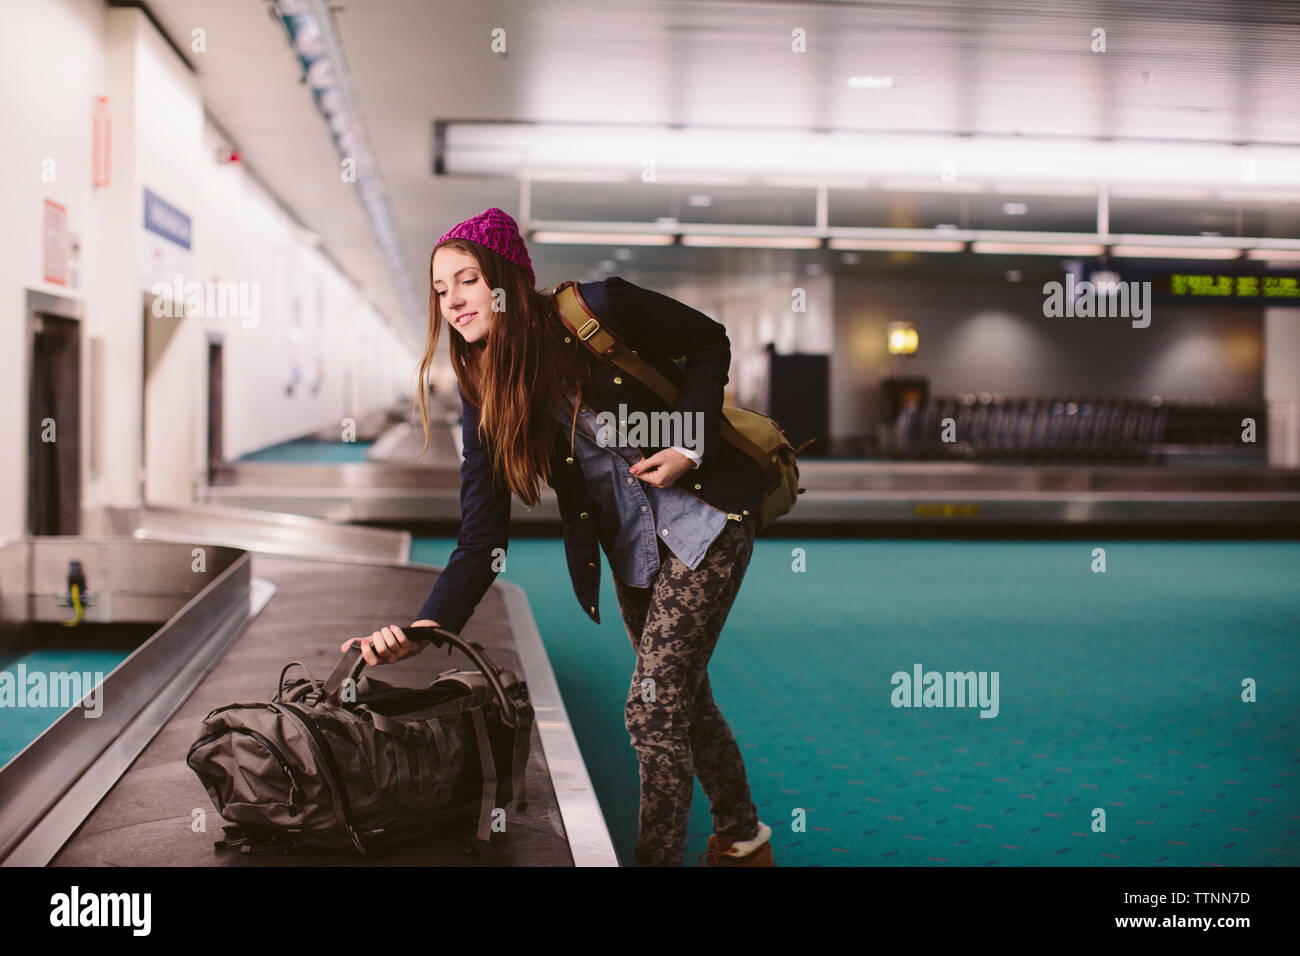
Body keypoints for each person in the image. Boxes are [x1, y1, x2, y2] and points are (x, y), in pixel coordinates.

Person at [343, 207, 774, 867]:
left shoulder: (595, 309)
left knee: (652, 706)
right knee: (685, 697)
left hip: (705, 517)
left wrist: (688, 441)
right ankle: (743, 838)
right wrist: (424, 629)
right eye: (440, 289)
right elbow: (481, 536)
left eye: (465, 280)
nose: (452, 300)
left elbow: (708, 340)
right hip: (634, 546)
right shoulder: (483, 387)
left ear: (504, 281)